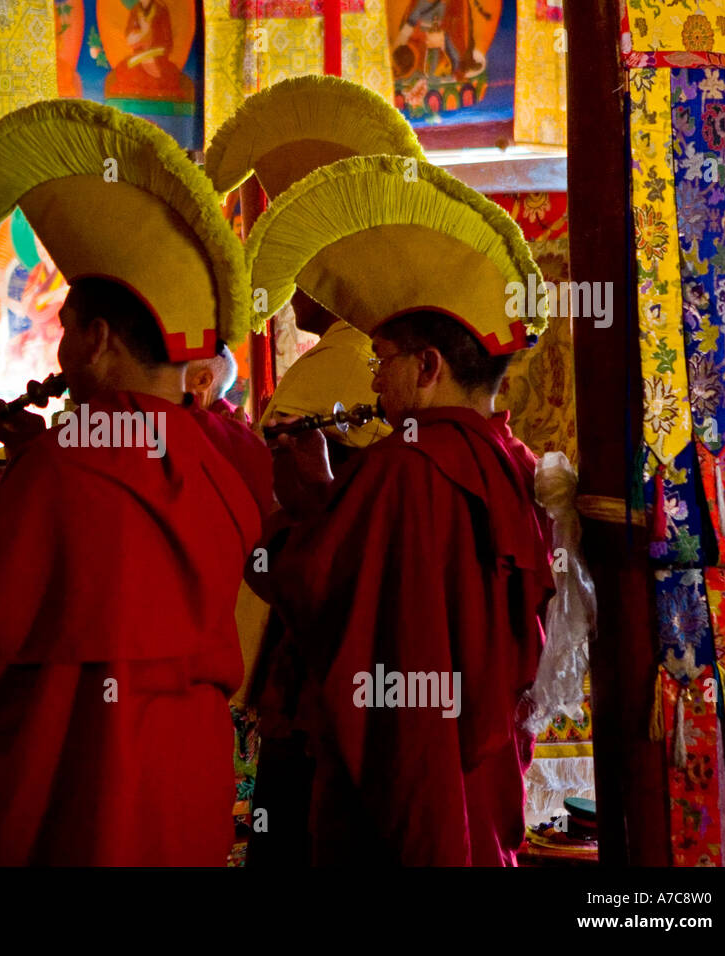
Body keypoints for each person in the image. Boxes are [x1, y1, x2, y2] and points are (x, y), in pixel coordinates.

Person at [0, 99, 267, 865]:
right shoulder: (219, 445)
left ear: (99, 338)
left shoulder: (72, 458)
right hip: (188, 776)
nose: (59, 350)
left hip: (91, 775)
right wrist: (37, 460)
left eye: (65, 330)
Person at [243, 153, 553, 865]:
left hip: (414, 770)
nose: (375, 380)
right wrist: (329, 500)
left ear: (427, 367)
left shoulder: (406, 467)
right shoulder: (510, 460)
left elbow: (313, 586)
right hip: (483, 765)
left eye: (382, 359)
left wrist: (297, 508)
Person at [205, 75, 425, 863]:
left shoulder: (344, 371)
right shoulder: (370, 367)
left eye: (299, 244)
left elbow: (284, 544)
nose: (286, 271)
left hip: (324, 685)